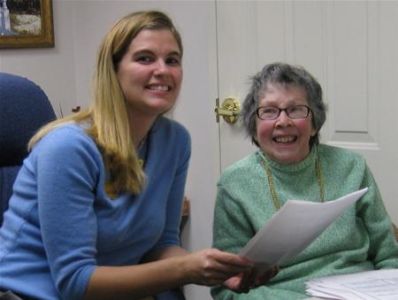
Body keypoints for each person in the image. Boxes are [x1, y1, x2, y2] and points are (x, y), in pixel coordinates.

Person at [0, 10, 263, 300]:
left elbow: (161, 244)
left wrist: (215, 268)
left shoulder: (176, 142)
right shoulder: (68, 147)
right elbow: (75, 282)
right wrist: (185, 269)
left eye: (172, 60)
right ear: (112, 71)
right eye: (145, 58)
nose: (162, 70)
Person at [211, 62, 398, 299]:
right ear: (254, 124)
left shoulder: (351, 166)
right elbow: (226, 291)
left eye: (296, 110)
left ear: (314, 123)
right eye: (269, 111)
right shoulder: (234, 184)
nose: (283, 121)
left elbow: (389, 256)